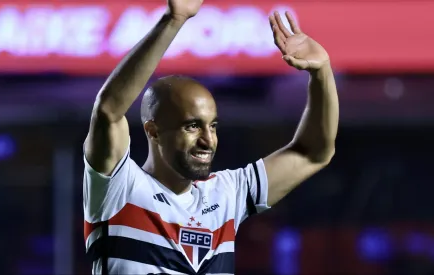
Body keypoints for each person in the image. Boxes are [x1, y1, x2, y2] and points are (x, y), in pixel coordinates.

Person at [82, 0, 339, 274]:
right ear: (153, 131)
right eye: (192, 126)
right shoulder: (118, 188)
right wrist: (174, 20)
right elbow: (108, 111)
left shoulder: (227, 194)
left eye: (212, 126)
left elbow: (313, 153)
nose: (208, 140)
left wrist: (321, 72)